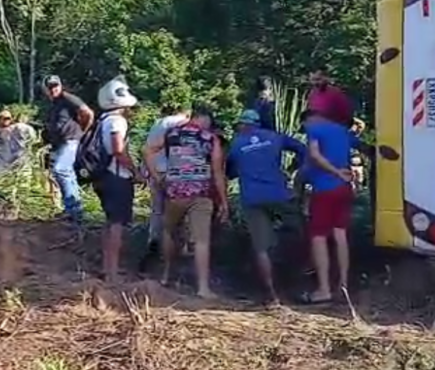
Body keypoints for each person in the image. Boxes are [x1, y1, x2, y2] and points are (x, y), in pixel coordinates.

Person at [144, 104, 229, 298]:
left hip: (175, 191)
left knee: (168, 231)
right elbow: (217, 172)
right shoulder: (210, 138)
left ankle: (166, 275)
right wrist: (224, 202)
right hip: (201, 192)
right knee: (201, 240)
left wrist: (157, 177)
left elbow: (147, 150)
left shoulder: (172, 134)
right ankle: (203, 288)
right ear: (205, 119)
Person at [226, 109, 305, 304]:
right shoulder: (274, 137)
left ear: (243, 124)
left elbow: (230, 172)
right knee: (299, 232)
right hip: (279, 194)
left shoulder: (236, 144)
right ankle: (299, 284)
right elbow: (303, 149)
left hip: (252, 198)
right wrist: (295, 169)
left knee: (261, 247)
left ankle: (271, 295)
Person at [300, 109, 364, 304]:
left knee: (318, 237)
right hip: (344, 189)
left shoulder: (315, 129)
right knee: (340, 235)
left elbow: (315, 155)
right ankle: (343, 286)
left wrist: (335, 172)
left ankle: (323, 289)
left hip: (325, 189)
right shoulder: (342, 131)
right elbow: (361, 143)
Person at [93, 76, 140, 283]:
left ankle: (107, 268)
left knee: (110, 222)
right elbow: (118, 150)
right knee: (117, 225)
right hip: (117, 176)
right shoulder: (117, 122)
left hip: (102, 175)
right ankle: (112, 272)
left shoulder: (102, 120)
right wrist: (136, 172)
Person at [138, 104, 190, 272]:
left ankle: (153, 241)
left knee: (157, 211)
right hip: (175, 172)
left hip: (156, 171)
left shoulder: (158, 123)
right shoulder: (184, 123)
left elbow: (148, 148)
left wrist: (147, 172)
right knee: (178, 213)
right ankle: (178, 249)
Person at [42, 74, 94, 224]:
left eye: (55, 86)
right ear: (45, 89)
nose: (53, 89)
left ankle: (73, 207)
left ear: (60, 86)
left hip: (70, 140)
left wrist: (82, 131)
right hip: (59, 143)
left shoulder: (67, 98)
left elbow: (87, 112)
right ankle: (74, 209)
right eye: (50, 87)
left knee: (61, 170)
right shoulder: (54, 104)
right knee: (68, 173)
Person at [0, 109, 36, 178]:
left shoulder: (15, 129)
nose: (6, 120)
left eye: (8, 118)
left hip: (11, 161)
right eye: (4, 118)